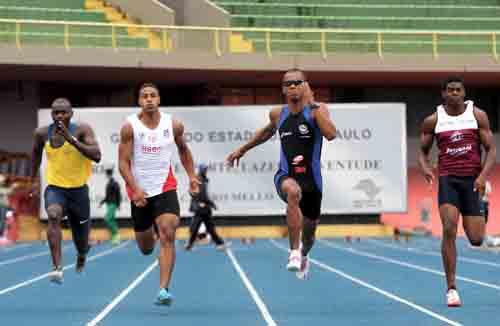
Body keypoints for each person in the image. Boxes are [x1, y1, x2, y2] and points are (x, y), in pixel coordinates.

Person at [226, 69, 336, 280]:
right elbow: (267, 131)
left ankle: (303, 254)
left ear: (305, 85)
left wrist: (313, 104)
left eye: (297, 82)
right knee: (292, 192)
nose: (293, 86)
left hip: (312, 182)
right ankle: (294, 252)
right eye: (288, 84)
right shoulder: (278, 114)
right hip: (286, 175)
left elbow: (331, 134)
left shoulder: (317, 110)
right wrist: (243, 149)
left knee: (310, 234)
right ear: (283, 89)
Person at [418, 76, 496, 307]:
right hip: (448, 179)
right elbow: (422, 152)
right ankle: (451, 288)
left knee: (476, 238)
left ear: (464, 93)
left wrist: (482, 177)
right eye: (449, 90)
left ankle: (482, 207)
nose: (454, 93)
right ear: (443, 94)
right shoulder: (433, 120)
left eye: (458, 90)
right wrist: (425, 168)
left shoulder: (477, 115)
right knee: (449, 228)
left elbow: (491, 150)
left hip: (472, 180)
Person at [118, 82, 199, 306]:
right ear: (139, 102)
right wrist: (135, 188)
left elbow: (183, 150)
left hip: (165, 187)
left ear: (159, 99)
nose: (149, 99)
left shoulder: (173, 125)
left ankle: (163, 289)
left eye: (153, 95)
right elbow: (123, 164)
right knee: (145, 248)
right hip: (140, 191)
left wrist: (192, 176)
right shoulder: (130, 127)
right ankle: (150, 233)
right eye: (144, 96)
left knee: (168, 232)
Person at [31, 98, 102, 284]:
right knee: (53, 215)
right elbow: (35, 156)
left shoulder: (82, 130)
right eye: (56, 112)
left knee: (82, 242)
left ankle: (82, 254)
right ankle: (57, 268)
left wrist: (71, 140)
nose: (60, 115)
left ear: (71, 114)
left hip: (79, 192)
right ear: (52, 115)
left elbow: (97, 156)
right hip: (56, 188)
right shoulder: (41, 134)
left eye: (64, 112)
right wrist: (34, 181)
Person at [184, 163, 227, 251]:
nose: (206, 171)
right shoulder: (200, 180)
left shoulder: (201, 179)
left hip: (203, 208)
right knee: (200, 228)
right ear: (201, 170)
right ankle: (220, 244)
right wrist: (211, 204)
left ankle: (220, 243)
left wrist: (198, 200)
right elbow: (202, 195)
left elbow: (193, 192)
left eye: (206, 169)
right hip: (201, 209)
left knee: (204, 228)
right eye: (205, 169)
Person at [99, 168, 122, 245]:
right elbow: (107, 196)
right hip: (109, 204)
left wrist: (118, 204)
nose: (107, 175)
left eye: (107, 174)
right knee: (111, 220)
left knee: (107, 219)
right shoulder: (109, 183)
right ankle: (114, 238)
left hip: (113, 203)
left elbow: (118, 194)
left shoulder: (114, 183)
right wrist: (102, 202)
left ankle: (116, 234)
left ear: (109, 174)